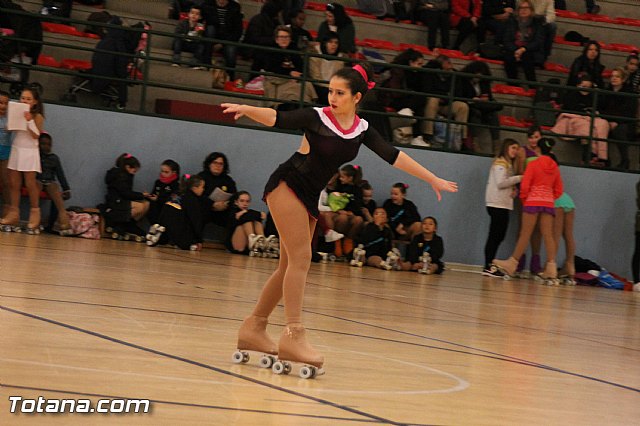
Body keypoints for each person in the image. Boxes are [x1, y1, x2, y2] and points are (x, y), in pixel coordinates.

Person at [221, 63, 457, 372]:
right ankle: (293, 334)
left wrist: (432, 178)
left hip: (308, 195)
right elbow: (279, 118)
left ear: (356, 96)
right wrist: (247, 108)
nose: (332, 97)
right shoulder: (316, 117)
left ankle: (253, 328)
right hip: (287, 184)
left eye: (340, 92)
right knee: (301, 260)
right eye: (330, 91)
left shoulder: (361, 130)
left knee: (286, 267)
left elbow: (393, 155)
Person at [493, 138, 563, 283]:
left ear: (538, 150)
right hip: (548, 202)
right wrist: (549, 196)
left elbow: (525, 185)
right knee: (548, 235)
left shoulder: (534, 164)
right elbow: (559, 189)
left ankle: (512, 263)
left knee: (525, 234)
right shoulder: (555, 167)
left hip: (532, 201)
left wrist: (525, 199)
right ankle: (551, 267)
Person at [0, 87, 44, 234]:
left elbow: (36, 135)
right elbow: (12, 128)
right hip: (17, 149)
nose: (24, 101)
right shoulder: (17, 112)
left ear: (35, 102)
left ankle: (35, 213)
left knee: (31, 184)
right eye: (23, 98)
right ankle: (13, 213)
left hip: (29, 151)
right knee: (14, 184)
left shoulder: (37, 116)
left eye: (28, 98)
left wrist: (29, 121)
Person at [483, 139, 522, 276]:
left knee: (499, 235)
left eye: (517, 149)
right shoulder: (500, 163)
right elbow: (500, 183)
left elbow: (505, 183)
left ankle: (490, 264)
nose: (515, 151)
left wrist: (513, 190)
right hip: (496, 204)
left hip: (502, 204)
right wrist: (519, 178)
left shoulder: (508, 165)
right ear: (506, 148)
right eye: (513, 148)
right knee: (495, 235)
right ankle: (488, 265)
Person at [551, 75, 610, 166]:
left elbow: (601, 107)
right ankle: (589, 155)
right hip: (574, 117)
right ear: (578, 85)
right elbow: (569, 109)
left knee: (603, 124)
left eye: (588, 87)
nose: (586, 89)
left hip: (592, 117)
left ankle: (602, 156)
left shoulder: (594, 95)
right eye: (583, 86)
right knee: (585, 127)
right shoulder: (571, 95)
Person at [263, 25, 318, 108]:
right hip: (278, 78)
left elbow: (300, 65)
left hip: (293, 79)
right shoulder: (271, 50)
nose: (284, 39)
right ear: (276, 39)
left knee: (305, 86)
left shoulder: (293, 49)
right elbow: (271, 67)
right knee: (289, 92)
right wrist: (290, 72)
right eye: (281, 37)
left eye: (286, 37)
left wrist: (295, 74)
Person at [420, 55, 470, 146]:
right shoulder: (430, 73)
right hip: (432, 104)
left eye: (450, 64)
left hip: (447, 103)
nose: (450, 67)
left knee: (463, 106)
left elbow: (458, 94)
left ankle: (461, 138)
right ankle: (428, 134)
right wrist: (444, 95)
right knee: (433, 100)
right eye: (447, 64)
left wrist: (444, 97)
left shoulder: (455, 75)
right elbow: (428, 90)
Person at [147, 174, 205, 251]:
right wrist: (199, 240)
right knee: (186, 243)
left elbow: (165, 207)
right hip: (177, 225)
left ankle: (160, 236)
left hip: (163, 222)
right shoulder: (192, 199)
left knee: (165, 239)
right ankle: (189, 245)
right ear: (194, 188)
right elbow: (195, 221)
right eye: (202, 187)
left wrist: (159, 222)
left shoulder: (175, 193)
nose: (203, 189)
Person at [514, 125, 543, 275]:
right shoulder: (522, 151)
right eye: (531, 137)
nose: (533, 140)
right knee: (524, 227)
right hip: (526, 192)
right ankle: (519, 259)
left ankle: (535, 262)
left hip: (542, 193)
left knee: (538, 228)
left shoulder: (544, 151)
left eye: (536, 137)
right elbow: (519, 172)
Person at [320, 164, 365, 258]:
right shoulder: (339, 186)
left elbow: (358, 205)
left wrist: (350, 212)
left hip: (350, 213)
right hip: (338, 212)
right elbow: (333, 201)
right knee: (343, 218)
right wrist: (339, 210)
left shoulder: (357, 190)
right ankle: (337, 242)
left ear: (350, 178)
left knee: (358, 220)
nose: (340, 179)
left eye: (343, 177)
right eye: (340, 176)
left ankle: (348, 240)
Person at [101, 153, 150, 238]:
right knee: (140, 207)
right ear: (127, 167)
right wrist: (142, 195)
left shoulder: (126, 175)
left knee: (146, 204)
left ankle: (127, 225)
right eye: (134, 171)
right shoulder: (120, 176)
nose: (134, 173)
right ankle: (122, 226)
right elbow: (126, 193)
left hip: (122, 200)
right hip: (115, 203)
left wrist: (142, 196)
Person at [457, 61, 502, 153]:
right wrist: (472, 99)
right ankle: (475, 143)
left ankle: (496, 145)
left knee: (493, 115)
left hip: (483, 107)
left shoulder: (484, 83)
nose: (478, 78)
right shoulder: (462, 80)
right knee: (474, 114)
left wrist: (485, 99)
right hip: (470, 107)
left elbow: (489, 96)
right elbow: (459, 96)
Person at [598, 67, 636, 170]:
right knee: (599, 127)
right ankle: (604, 160)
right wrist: (609, 120)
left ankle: (625, 160)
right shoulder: (606, 92)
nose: (614, 78)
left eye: (617, 76)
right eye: (612, 76)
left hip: (626, 124)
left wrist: (616, 122)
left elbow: (629, 113)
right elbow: (601, 109)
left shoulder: (629, 93)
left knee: (620, 130)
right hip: (608, 122)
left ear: (623, 79)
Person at [37, 132, 72, 235]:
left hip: (49, 181)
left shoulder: (54, 158)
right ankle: (35, 220)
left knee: (55, 191)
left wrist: (66, 188)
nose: (46, 147)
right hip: (36, 180)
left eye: (49, 145)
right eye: (43, 144)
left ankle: (63, 221)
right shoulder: (34, 155)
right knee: (35, 187)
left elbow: (60, 174)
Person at [503, 0, 544, 82]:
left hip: (530, 50)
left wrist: (523, 49)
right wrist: (516, 50)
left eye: (526, 8)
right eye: (521, 8)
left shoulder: (537, 23)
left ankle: (532, 85)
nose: (523, 10)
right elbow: (506, 40)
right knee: (508, 57)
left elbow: (538, 41)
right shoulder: (512, 22)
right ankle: (513, 85)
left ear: (531, 10)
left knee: (527, 56)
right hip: (514, 49)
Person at [201, 0, 243, 79]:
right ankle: (206, 66)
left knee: (231, 51)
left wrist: (222, 44)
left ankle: (230, 77)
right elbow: (201, 24)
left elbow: (237, 31)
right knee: (210, 29)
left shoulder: (235, 7)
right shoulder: (207, 5)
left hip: (227, 39)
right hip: (210, 38)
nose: (221, 1)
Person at [197, 151, 237, 230]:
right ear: (209, 164)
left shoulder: (228, 180)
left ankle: (231, 240)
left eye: (220, 164)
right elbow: (197, 195)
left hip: (223, 209)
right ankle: (196, 239)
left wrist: (225, 204)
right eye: (215, 163)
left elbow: (234, 195)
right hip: (205, 208)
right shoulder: (201, 177)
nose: (217, 166)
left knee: (235, 214)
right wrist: (213, 204)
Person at [226, 190, 272, 255]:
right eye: (242, 201)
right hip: (236, 245)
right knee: (246, 220)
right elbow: (260, 214)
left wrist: (245, 212)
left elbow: (262, 215)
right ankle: (253, 240)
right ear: (236, 202)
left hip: (248, 247)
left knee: (256, 221)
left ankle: (263, 242)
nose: (245, 203)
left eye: (247, 201)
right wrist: (245, 213)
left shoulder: (248, 212)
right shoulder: (232, 212)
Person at [243, 1, 282, 74]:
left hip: (267, 47)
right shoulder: (257, 20)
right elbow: (254, 39)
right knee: (263, 56)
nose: (280, 15)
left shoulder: (275, 22)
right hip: (252, 48)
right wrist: (273, 40)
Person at [309, 32, 346, 105]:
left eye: (336, 43)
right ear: (324, 43)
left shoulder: (341, 59)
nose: (333, 45)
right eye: (330, 42)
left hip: (333, 89)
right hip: (318, 87)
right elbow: (316, 77)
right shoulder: (315, 55)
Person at [147, 159, 180, 224]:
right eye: (162, 171)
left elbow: (173, 201)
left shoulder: (176, 185)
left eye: (166, 172)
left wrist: (158, 199)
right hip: (155, 208)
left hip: (167, 210)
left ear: (174, 172)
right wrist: (148, 196)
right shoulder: (158, 182)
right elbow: (154, 193)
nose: (163, 174)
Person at [553, 192, 576, 284]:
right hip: (568, 200)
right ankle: (570, 266)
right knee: (568, 235)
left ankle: (551, 266)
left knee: (555, 236)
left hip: (556, 202)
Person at [0, 90, 10, 218]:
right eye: (0, 103)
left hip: (6, 150)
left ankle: (7, 211)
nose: (3, 106)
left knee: (6, 182)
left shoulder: (10, 118)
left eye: (6, 103)